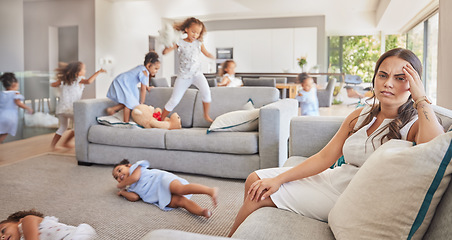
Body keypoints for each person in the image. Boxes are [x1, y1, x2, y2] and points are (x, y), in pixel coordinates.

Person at [228, 48, 444, 236]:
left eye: (400, 78)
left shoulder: (414, 124)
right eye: (383, 75)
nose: (388, 83)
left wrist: (421, 99)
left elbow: (435, 149)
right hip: (333, 179)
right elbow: (325, 157)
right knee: (255, 179)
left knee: (259, 196)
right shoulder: (360, 114)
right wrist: (281, 178)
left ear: (414, 84)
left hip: (352, 197)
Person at [112, 159, 218, 218]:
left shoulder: (136, 167)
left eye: (119, 170)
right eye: (116, 177)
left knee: (180, 189)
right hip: (159, 196)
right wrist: (123, 192)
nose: (119, 175)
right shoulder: (131, 188)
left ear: (128, 165)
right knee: (181, 201)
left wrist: (120, 185)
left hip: (162, 181)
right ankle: (202, 212)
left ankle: (209, 190)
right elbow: (134, 197)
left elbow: (135, 178)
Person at [161, 17, 215, 122]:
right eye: (193, 31)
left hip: (197, 74)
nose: (195, 35)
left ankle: (206, 115)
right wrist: (167, 45)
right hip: (183, 76)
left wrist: (216, 58)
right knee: (174, 100)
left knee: (207, 93)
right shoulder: (179, 42)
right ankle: (161, 119)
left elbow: (207, 53)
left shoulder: (199, 43)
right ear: (186, 29)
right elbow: (165, 52)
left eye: (198, 33)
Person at [50, 62, 105, 149]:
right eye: (84, 69)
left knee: (63, 127)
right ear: (78, 72)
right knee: (78, 127)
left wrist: (60, 81)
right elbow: (89, 81)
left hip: (61, 108)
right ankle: (66, 142)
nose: (85, 70)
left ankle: (52, 146)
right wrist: (98, 72)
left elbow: (53, 84)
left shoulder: (64, 80)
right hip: (72, 109)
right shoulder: (79, 79)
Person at [106, 51, 160, 123]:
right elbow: (142, 90)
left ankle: (112, 109)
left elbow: (143, 84)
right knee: (129, 103)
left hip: (121, 80)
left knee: (129, 102)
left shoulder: (142, 68)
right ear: (148, 65)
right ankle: (126, 122)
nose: (156, 71)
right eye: (156, 68)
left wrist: (147, 87)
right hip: (123, 82)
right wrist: (142, 103)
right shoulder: (145, 72)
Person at [0, 209, 96, 240]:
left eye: (3, 230)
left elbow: (30, 225)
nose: (2, 237)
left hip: (76, 236)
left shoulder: (26, 221)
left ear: (19, 220)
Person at [0, 73, 33, 144]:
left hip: (1, 116)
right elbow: (18, 103)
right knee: (5, 133)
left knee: (1, 131)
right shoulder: (15, 93)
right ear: (14, 84)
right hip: (10, 117)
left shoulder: (1, 94)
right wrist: (28, 108)